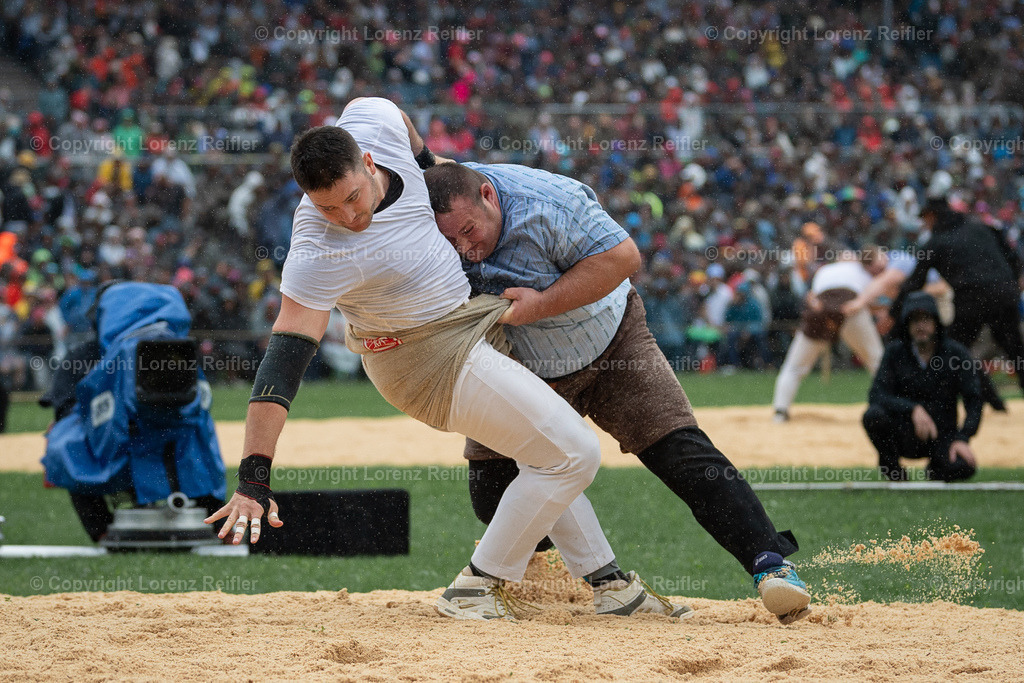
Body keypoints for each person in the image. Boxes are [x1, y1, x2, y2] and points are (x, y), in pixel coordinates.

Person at [205, 97, 689, 622]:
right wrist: (254, 477)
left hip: (463, 331)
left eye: (351, 197)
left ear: (370, 161)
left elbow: (391, 112)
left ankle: (610, 585)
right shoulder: (316, 250)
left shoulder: (376, 122)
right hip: (419, 357)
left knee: (542, 450)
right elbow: (283, 361)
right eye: (327, 208)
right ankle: (478, 585)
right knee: (574, 453)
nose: (348, 217)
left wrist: (432, 163)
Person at [423, 161, 812, 625]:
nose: (467, 249)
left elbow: (624, 258)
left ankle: (772, 566)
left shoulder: (550, 203)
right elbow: (394, 129)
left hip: (611, 344)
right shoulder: (428, 200)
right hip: (527, 366)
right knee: (491, 494)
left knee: (680, 452)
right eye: (451, 241)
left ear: (489, 194)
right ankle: (600, 582)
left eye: (469, 230)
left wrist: (543, 304)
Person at [891, 187, 1024, 410]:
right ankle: (995, 401)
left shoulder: (936, 243)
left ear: (932, 216)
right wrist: (1013, 280)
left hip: (972, 299)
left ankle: (993, 400)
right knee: (1015, 348)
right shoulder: (982, 228)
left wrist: (893, 313)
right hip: (1004, 293)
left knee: (954, 350)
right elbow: (1012, 257)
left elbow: (914, 283)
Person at [863, 292, 981, 482]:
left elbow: (974, 399)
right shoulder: (895, 352)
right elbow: (876, 394)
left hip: (942, 434)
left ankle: (936, 468)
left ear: (936, 322)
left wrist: (963, 438)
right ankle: (894, 472)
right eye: (914, 320)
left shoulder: (955, 354)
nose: (920, 326)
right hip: (904, 432)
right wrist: (912, 409)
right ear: (906, 325)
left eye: (926, 319)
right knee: (874, 416)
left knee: (962, 466)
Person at [772, 249, 886, 422]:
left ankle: (780, 411)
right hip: (850, 309)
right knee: (877, 361)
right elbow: (871, 300)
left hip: (820, 311)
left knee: (794, 366)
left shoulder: (824, 270)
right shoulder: (861, 270)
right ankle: (890, 405)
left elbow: (811, 298)